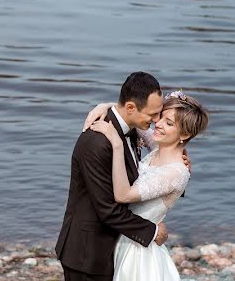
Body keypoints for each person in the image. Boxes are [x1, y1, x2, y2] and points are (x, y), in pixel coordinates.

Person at [55, 72, 169, 281]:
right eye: (152, 114)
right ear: (131, 108)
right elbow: (107, 209)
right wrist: (152, 232)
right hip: (87, 253)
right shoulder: (96, 142)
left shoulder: (131, 128)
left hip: (111, 248)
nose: (155, 121)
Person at [87, 90, 210, 281]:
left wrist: (117, 144)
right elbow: (131, 115)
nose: (158, 124)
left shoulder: (175, 172)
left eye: (169, 123)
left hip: (138, 251)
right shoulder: (157, 146)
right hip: (126, 237)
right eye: (160, 117)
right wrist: (105, 106)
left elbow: (123, 195)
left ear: (184, 134)